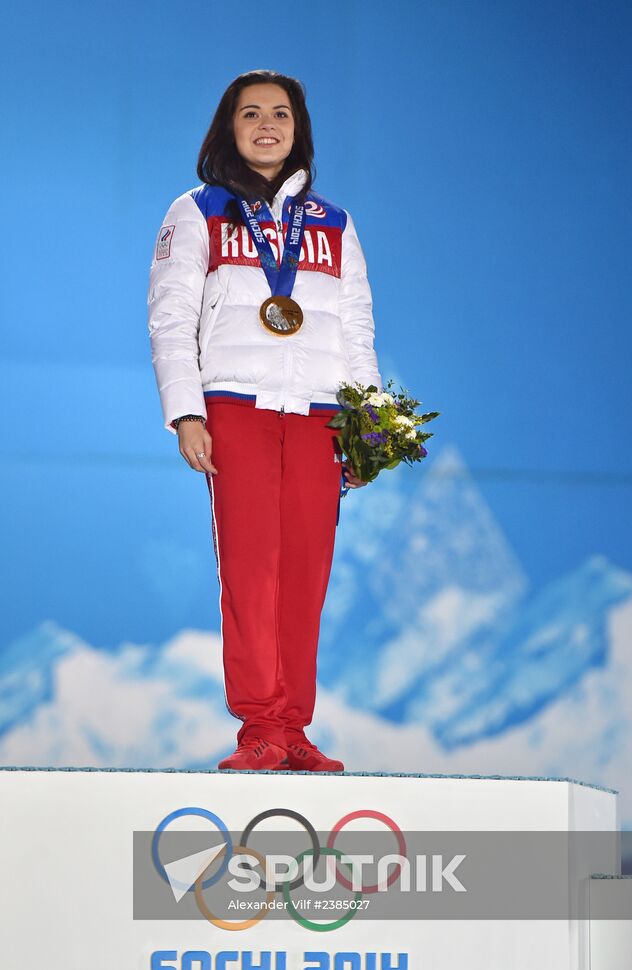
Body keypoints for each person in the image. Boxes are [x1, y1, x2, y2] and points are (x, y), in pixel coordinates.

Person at [147, 69, 383, 772]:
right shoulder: (195, 212)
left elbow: (357, 329)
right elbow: (169, 319)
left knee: (305, 574)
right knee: (250, 572)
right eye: (250, 114)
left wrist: (366, 429)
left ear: (297, 128)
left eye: (279, 113)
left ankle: (294, 729)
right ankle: (260, 730)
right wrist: (186, 411)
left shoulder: (333, 223)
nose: (266, 125)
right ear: (229, 127)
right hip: (235, 407)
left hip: (318, 415)